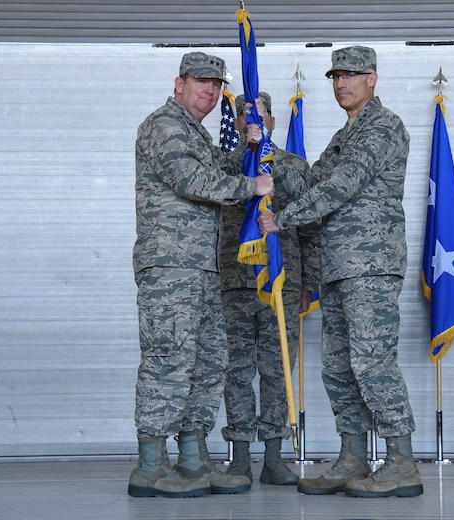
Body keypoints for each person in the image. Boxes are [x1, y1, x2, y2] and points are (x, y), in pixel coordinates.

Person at [258, 45, 423, 498]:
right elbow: (312, 182)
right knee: (338, 368)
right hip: (337, 267)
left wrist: (283, 219)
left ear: (372, 78)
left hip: (370, 265)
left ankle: (402, 461)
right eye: (334, 76)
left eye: (350, 75)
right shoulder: (343, 134)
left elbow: (341, 185)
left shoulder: (382, 127)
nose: (340, 84)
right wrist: (267, 150)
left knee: (372, 362)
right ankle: (353, 455)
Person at [128, 51, 274, 498]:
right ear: (179, 84)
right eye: (200, 83)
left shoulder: (193, 131)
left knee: (208, 363)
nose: (209, 91)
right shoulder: (164, 126)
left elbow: (216, 168)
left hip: (203, 268)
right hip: (171, 267)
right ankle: (150, 466)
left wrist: (248, 149)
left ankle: (193, 461)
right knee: (168, 362)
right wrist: (254, 186)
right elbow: (192, 180)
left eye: (215, 85)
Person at [219, 92, 321, 486]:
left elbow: (311, 228)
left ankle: (275, 455)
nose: (252, 124)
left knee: (278, 369)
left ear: (273, 122)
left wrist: (308, 282)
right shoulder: (223, 166)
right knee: (238, 370)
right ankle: (240, 456)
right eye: (244, 118)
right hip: (235, 281)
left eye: (259, 117)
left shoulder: (293, 167)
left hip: (282, 280)